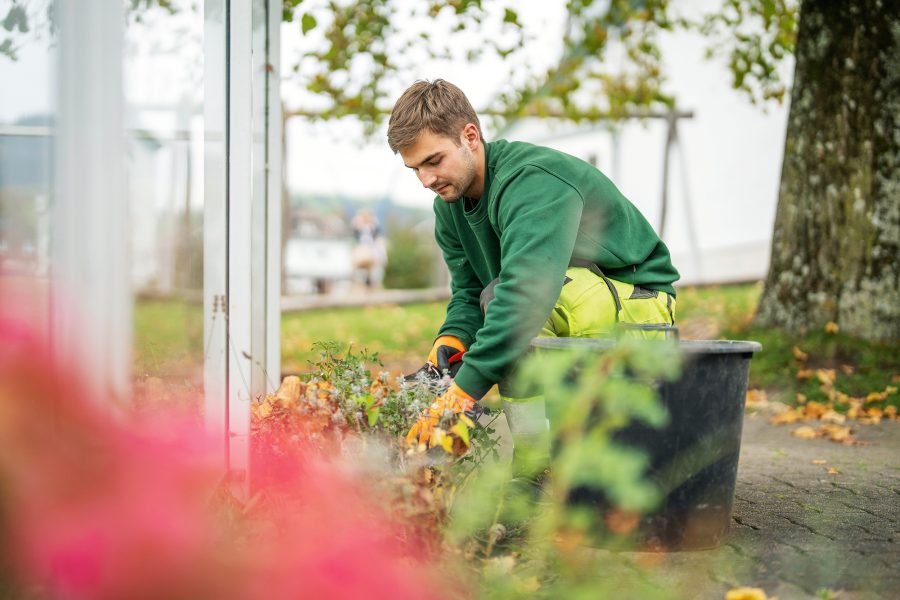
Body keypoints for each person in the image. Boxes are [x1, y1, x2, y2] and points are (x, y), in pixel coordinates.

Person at [388, 79, 679, 476]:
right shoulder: (449, 207)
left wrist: (461, 395)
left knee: (508, 308)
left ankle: (548, 469)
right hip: (562, 300)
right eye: (415, 169)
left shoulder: (533, 182)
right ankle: (536, 467)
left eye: (433, 161)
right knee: (495, 307)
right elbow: (470, 291)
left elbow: (524, 297)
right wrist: (450, 342)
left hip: (637, 306)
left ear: (469, 136)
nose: (426, 180)